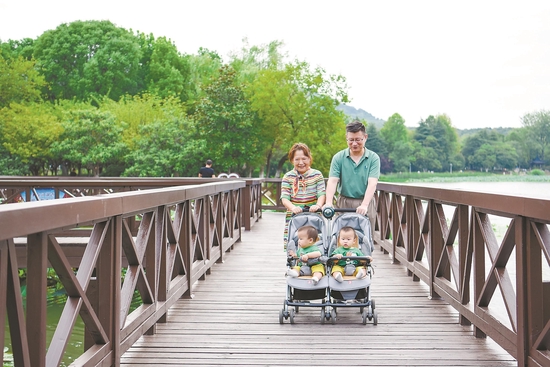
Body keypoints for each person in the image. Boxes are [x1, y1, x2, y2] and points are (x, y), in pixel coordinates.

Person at [324, 120, 380, 232]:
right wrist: (329, 202)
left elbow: (372, 183)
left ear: (365, 137)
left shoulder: (373, 158)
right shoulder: (338, 157)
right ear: (346, 138)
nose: (354, 144)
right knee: (342, 238)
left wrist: (364, 205)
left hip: (365, 201)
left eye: (358, 140)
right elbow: (333, 181)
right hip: (344, 201)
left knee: (365, 238)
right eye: (351, 140)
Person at [280, 143, 326, 248]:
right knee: (294, 243)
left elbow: (321, 193)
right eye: (297, 159)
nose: (301, 162)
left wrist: (318, 205)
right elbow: (285, 198)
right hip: (295, 216)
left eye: (304, 159)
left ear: (309, 158)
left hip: (313, 215)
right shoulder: (288, 177)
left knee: (316, 243)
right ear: (292, 160)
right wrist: (293, 208)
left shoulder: (317, 175)